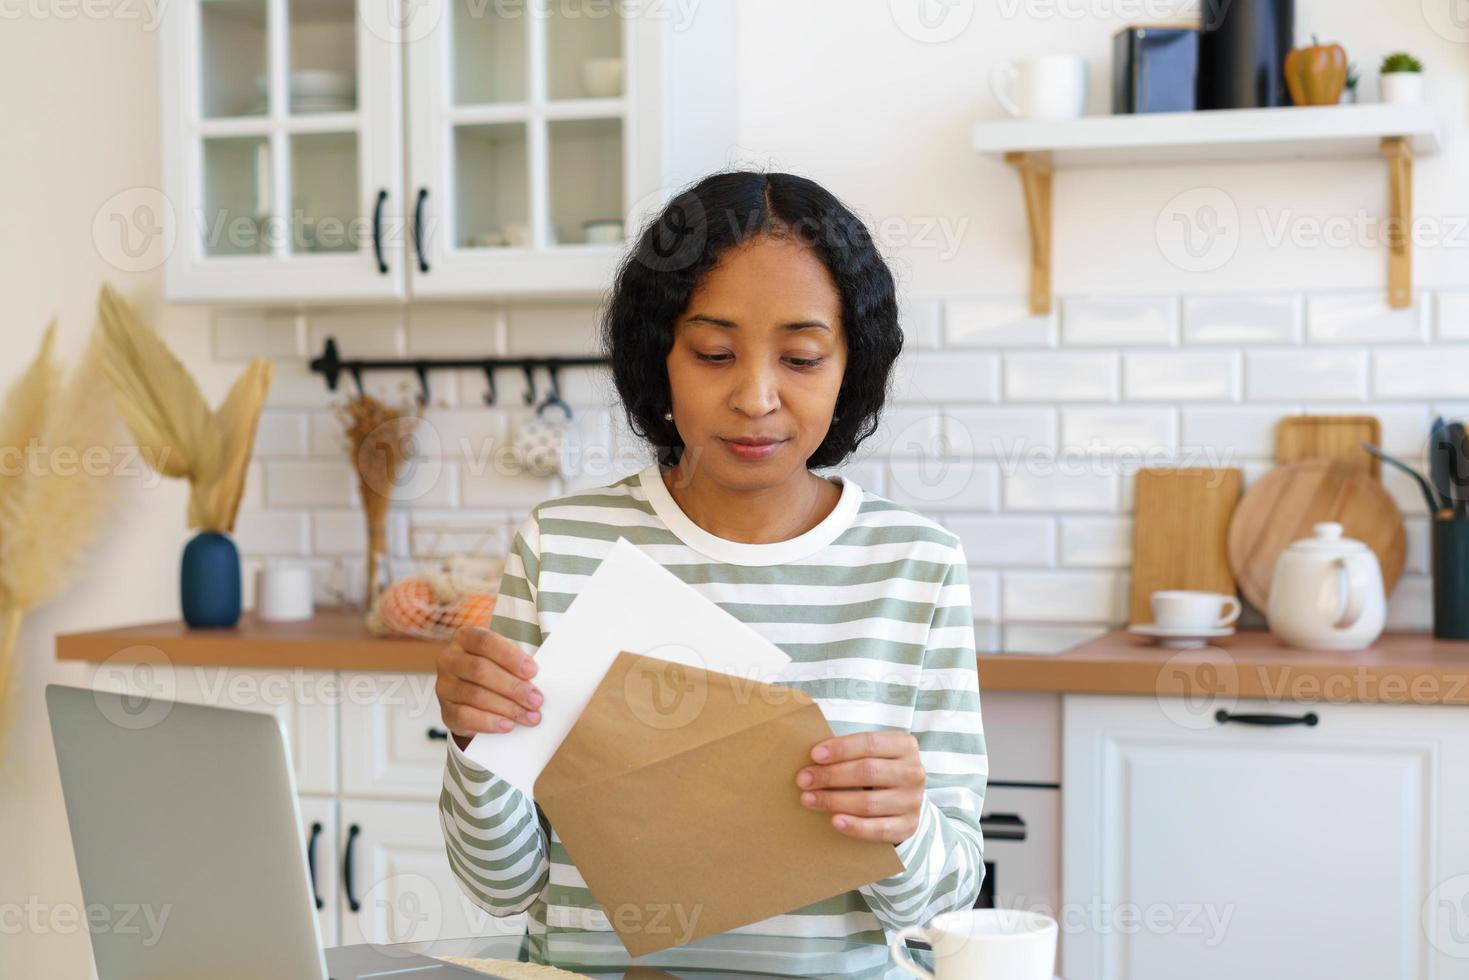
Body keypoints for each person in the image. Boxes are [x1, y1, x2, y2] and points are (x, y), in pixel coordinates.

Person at [435, 170, 987, 954]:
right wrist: (473, 745)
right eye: (714, 352)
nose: (756, 396)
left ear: (849, 368)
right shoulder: (562, 548)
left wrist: (904, 825)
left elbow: (939, 904)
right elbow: (502, 886)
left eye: (800, 358)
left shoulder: (915, 566)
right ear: (659, 358)